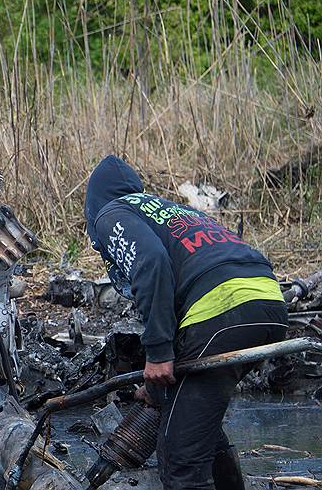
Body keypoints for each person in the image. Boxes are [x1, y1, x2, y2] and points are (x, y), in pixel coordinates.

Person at [84, 155, 287, 489]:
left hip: (221, 311)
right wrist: (153, 389)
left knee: (181, 460)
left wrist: (159, 352)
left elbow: (150, 263)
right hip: (267, 305)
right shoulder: (176, 211)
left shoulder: (110, 213)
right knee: (195, 426)